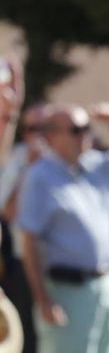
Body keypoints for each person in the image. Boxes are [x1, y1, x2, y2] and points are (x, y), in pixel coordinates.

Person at [15, 103, 109, 353]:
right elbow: (29, 241)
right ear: (53, 135)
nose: (85, 135)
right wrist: (42, 299)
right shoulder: (40, 176)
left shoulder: (96, 166)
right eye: (77, 130)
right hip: (65, 290)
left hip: (106, 285)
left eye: (87, 128)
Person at [0, 103, 46, 353]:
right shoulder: (17, 159)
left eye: (46, 128)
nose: (39, 135)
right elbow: (6, 212)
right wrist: (29, 170)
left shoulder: (72, 159)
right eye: (32, 128)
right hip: (22, 264)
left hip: (63, 267)